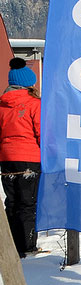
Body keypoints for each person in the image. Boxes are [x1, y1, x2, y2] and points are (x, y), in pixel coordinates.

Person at [0, 59, 41, 255]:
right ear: (29, 83)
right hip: (29, 159)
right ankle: (27, 247)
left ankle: (12, 247)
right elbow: (42, 133)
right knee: (28, 203)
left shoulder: (2, 105)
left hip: (6, 159)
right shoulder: (34, 104)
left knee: (12, 202)